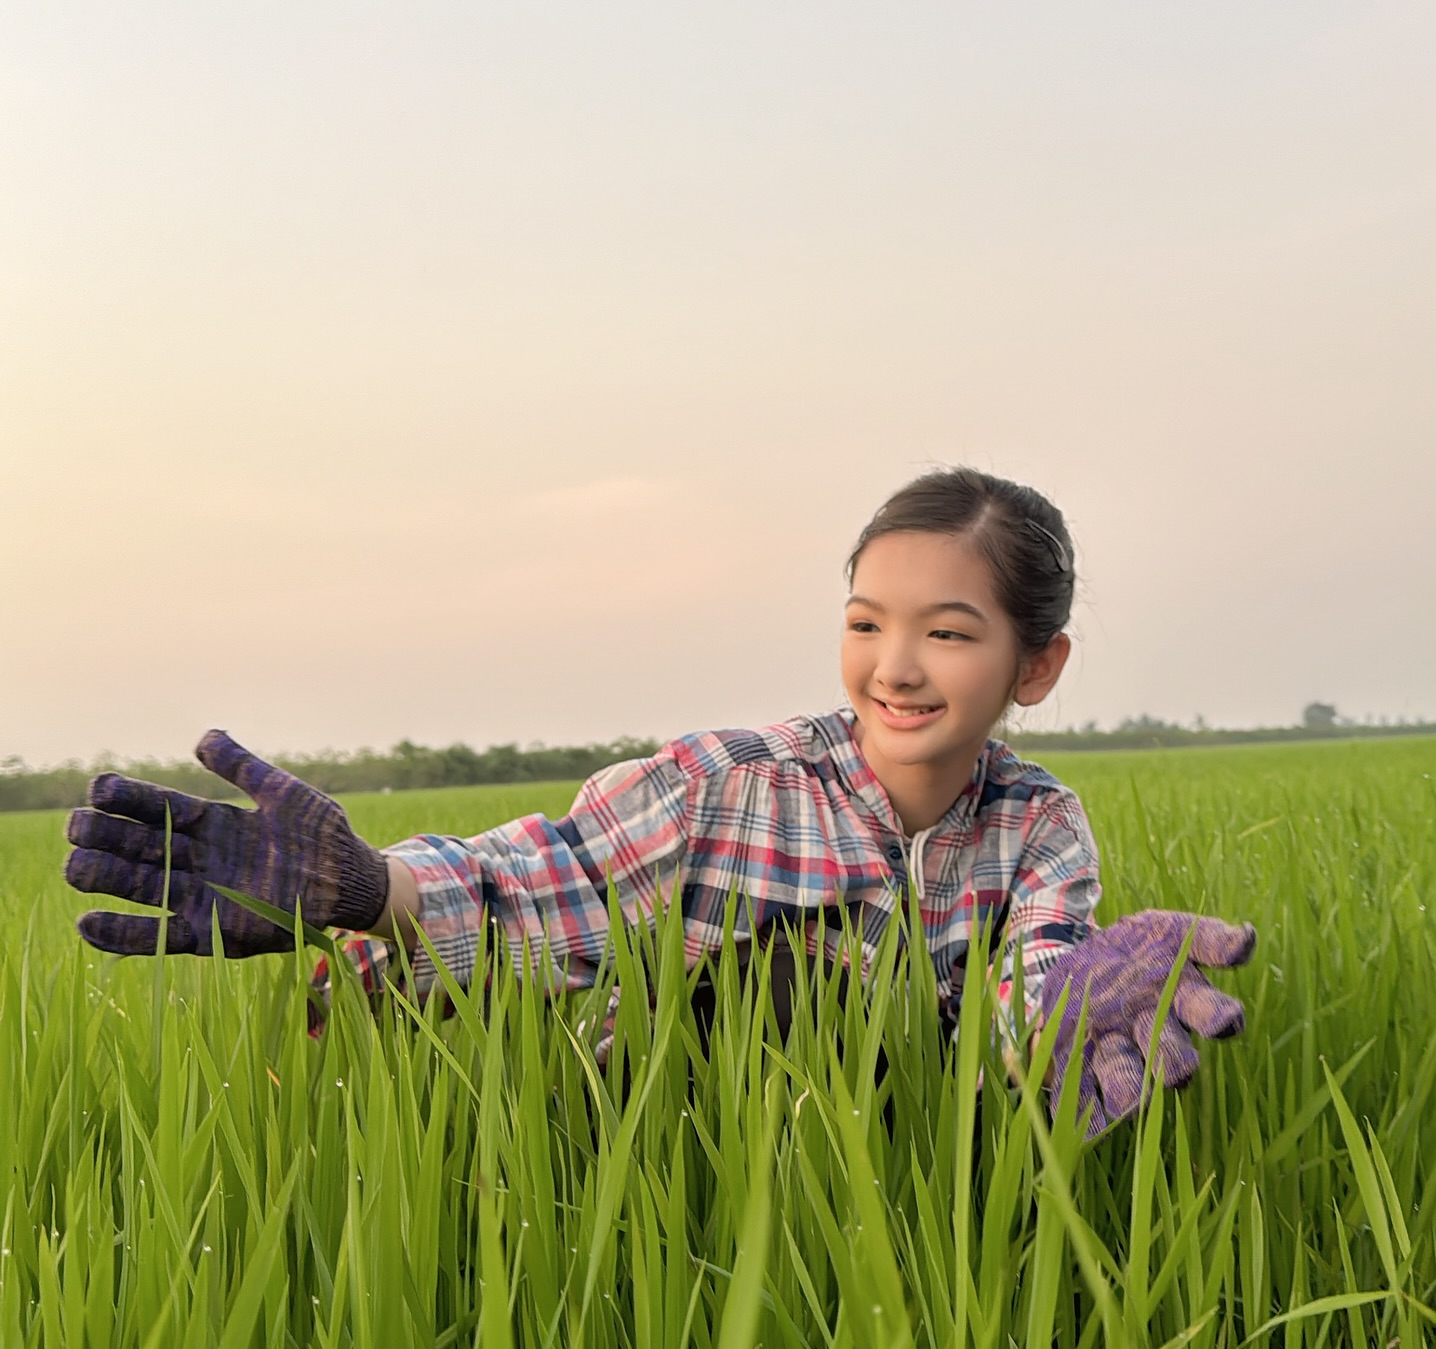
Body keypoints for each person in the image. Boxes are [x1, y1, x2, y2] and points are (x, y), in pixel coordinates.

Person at [63, 466, 1254, 1136]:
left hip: (878, 1151)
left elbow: (1022, 979)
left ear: (1034, 667)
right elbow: (550, 879)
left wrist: (1057, 996)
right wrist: (374, 889)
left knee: (857, 999)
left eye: (947, 633)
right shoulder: (725, 787)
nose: (895, 666)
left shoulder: (1039, 827)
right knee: (793, 976)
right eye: (865, 626)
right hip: (650, 1125)